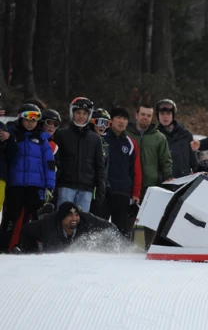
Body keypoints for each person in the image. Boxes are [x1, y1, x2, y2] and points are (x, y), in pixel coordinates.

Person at [0, 104, 55, 252]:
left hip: (36, 185)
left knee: (36, 217)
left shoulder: (42, 139)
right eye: (28, 119)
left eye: (35, 119)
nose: (31, 123)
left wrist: (49, 185)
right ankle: (5, 247)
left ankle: (34, 247)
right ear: (21, 119)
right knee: (12, 217)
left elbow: (49, 165)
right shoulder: (13, 134)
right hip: (16, 183)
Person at [126, 103, 172, 248]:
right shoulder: (127, 134)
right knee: (132, 217)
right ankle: (133, 246)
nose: (145, 118)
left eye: (149, 115)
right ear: (137, 115)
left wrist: (167, 178)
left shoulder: (159, 137)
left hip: (152, 184)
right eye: (143, 114)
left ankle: (147, 247)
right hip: (130, 183)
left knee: (150, 217)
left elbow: (166, 160)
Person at [54, 97, 106, 212]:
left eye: (84, 113)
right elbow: (56, 162)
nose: (81, 116)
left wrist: (101, 187)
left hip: (86, 189)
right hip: (65, 186)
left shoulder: (95, 139)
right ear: (72, 113)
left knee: (81, 222)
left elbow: (99, 166)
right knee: (64, 219)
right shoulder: (61, 134)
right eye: (78, 113)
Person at [98, 107, 142, 237]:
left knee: (121, 229)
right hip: (104, 190)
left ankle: (120, 253)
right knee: (100, 224)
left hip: (123, 191)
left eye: (124, 119)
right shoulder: (102, 138)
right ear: (111, 120)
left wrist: (136, 192)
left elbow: (136, 170)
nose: (121, 121)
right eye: (118, 118)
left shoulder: (131, 143)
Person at [14, 201, 120, 254]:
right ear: (62, 219)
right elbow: (26, 229)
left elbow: (110, 227)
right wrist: (31, 251)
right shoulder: (48, 226)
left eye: (76, 215)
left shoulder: (86, 220)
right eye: (70, 216)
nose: (74, 218)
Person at [155, 99, 199, 179]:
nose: (165, 117)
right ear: (158, 115)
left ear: (173, 115)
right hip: (163, 183)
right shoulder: (154, 136)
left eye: (168, 113)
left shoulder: (186, 135)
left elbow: (194, 162)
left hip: (183, 182)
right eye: (162, 114)